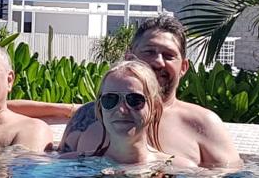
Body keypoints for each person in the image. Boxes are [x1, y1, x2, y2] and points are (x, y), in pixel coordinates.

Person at [58, 15, 242, 169]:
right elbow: (61, 173)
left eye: (169, 55)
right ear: (129, 58)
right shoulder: (87, 118)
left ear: (184, 67)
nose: (158, 62)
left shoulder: (204, 124)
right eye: (149, 52)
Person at [61, 60, 197, 170]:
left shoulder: (182, 170)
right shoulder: (69, 165)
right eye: (110, 99)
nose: (122, 110)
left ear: (155, 108)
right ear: (100, 108)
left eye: (134, 100)